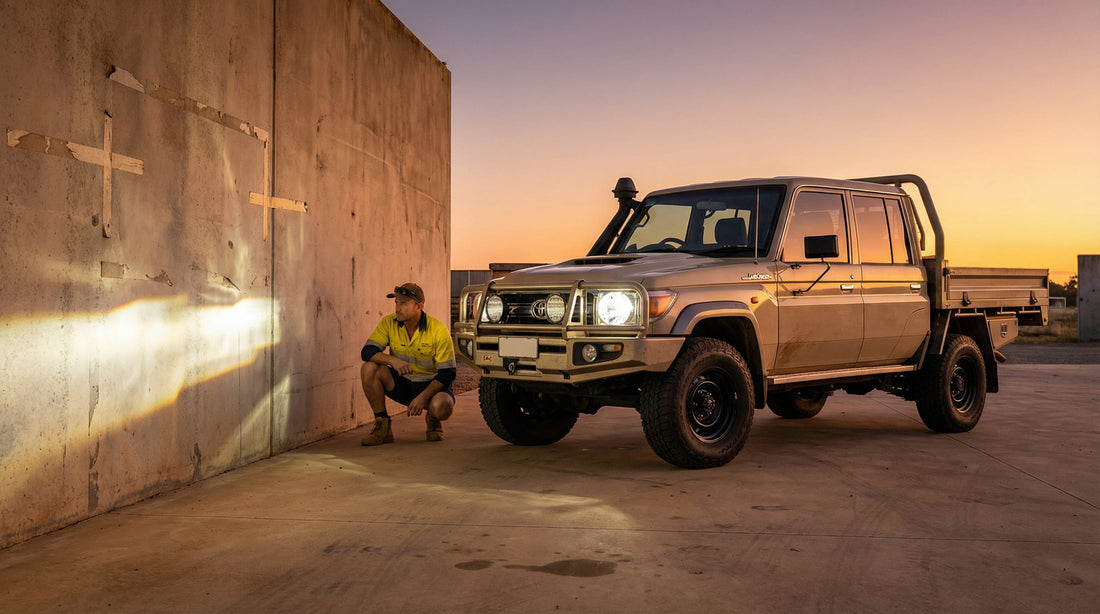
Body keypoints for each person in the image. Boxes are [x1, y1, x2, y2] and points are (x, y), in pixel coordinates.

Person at [359, 282, 456, 445]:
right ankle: (383, 426)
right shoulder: (389, 322)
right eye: (396, 303)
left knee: (443, 406)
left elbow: (448, 373)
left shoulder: (438, 329)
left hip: (429, 388)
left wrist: (423, 397)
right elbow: (367, 351)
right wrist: (392, 360)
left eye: (403, 303)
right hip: (402, 384)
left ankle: (433, 418)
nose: (397, 308)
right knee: (369, 368)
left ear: (419, 306)